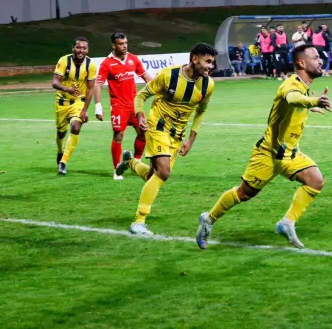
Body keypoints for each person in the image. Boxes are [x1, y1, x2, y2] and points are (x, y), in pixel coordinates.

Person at [196, 44, 331, 250]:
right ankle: (209, 218)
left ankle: (287, 222)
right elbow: (292, 98)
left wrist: (309, 106)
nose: (320, 60)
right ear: (301, 63)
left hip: (289, 154)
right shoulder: (290, 84)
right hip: (268, 153)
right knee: (244, 194)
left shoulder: (303, 86)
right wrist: (313, 102)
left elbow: (292, 106)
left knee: (315, 180)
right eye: (315, 57)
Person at [114, 43, 217, 236]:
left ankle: (129, 162)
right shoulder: (169, 75)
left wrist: (191, 140)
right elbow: (141, 95)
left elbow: (200, 113)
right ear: (195, 59)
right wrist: (140, 115)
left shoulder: (208, 85)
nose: (210, 66)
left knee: (153, 175)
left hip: (177, 135)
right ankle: (139, 221)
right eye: (207, 61)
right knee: (163, 172)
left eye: (212, 62)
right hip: (157, 125)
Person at [97, 32, 153, 180]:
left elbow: (146, 77)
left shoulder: (133, 59)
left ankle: (136, 160)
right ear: (114, 45)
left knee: (143, 132)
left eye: (126, 43)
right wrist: (98, 105)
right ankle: (117, 169)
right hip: (118, 106)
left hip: (135, 105)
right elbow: (98, 85)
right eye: (121, 44)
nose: (125, 46)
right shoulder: (106, 64)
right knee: (118, 136)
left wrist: (159, 88)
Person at [52, 37, 100, 175]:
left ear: (87, 50)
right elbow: (54, 82)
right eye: (78, 47)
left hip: (78, 102)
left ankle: (63, 162)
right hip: (61, 102)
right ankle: (60, 151)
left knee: (75, 127)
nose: (81, 51)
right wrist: (67, 89)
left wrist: (85, 110)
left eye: (84, 48)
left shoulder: (91, 64)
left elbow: (91, 89)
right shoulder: (64, 61)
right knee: (61, 132)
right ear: (73, 48)